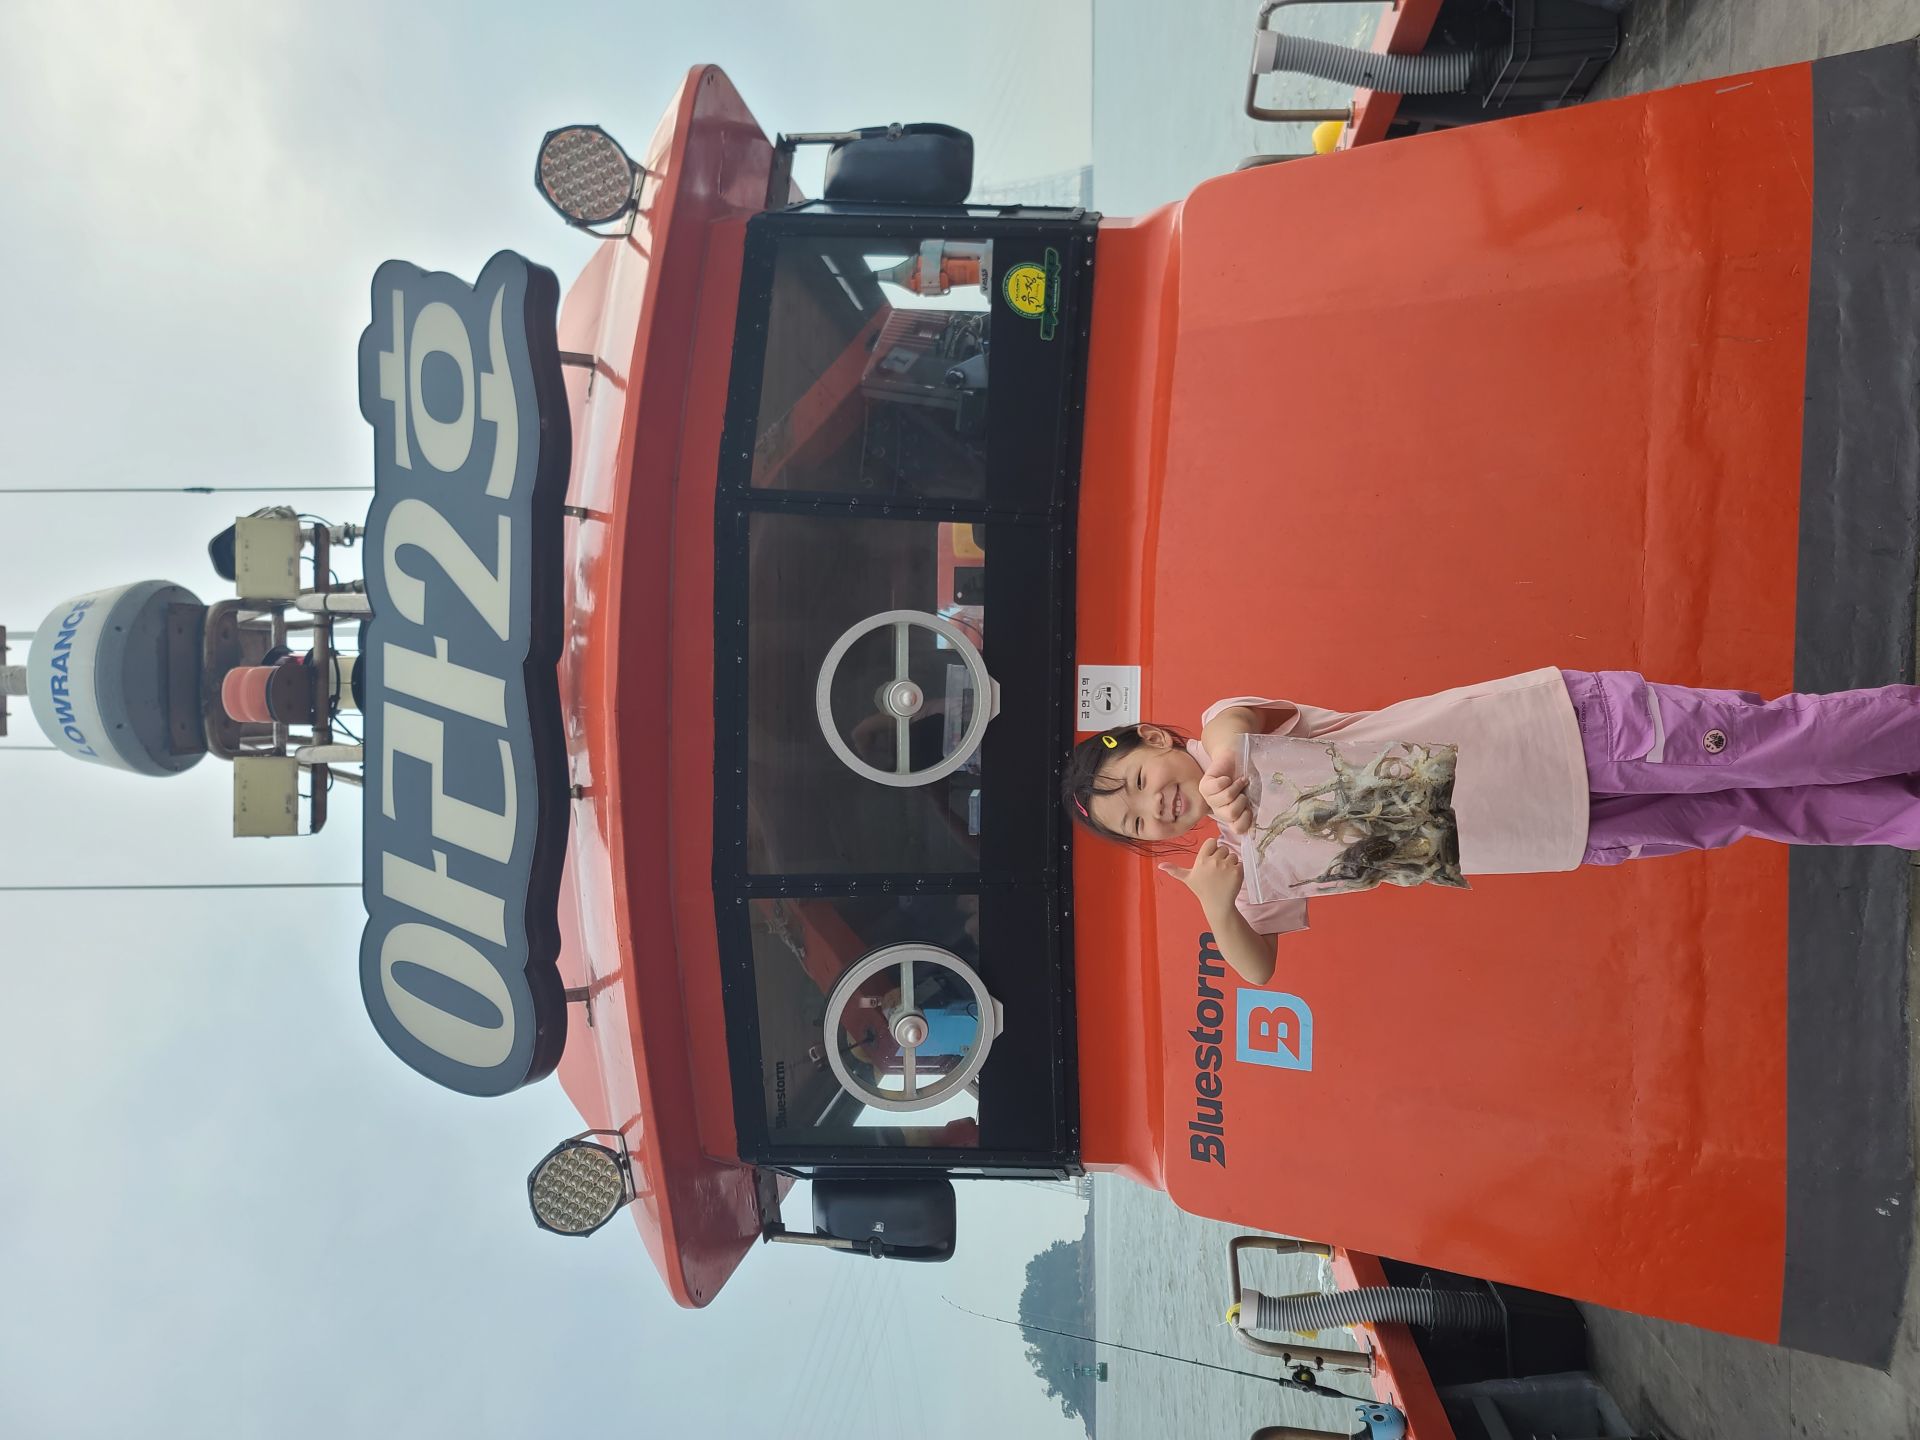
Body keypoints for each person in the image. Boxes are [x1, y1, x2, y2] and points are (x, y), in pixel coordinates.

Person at [1063, 668, 1920, 985]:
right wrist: (1216, 907)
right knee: (1751, 809)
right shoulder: (1244, 865)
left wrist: (1221, 768)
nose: (1155, 804)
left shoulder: (1236, 746)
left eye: (1139, 780)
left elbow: (1232, 720)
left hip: (1562, 734)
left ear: (1158, 741)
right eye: (1135, 818)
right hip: (1559, 834)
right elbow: (1257, 970)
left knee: (1768, 744)